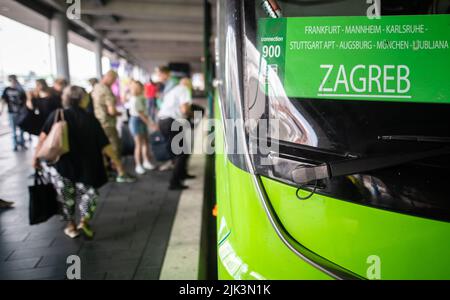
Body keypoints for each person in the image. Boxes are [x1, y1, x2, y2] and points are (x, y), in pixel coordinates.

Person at [32, 86, 127, 239]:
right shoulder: (90, 118)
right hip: (86, 166)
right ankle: (84, 220)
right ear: (83, 99)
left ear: (66, 99)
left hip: (62, 165)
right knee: (90, 193)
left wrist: (35, 157)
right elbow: (104, 144)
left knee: (65, 198)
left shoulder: (58, 115)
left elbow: (43, 137)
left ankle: (71, 226)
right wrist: (117, 163)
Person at [91, 70, 135, 183]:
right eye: (114, 79)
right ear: (109, 77)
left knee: (102, 149)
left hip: (99, 122)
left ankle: (107, 171)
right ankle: (120, 173)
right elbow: (111, 111)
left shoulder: (96, 87)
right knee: (114, 148)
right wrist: (119, 113)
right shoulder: (106, 90)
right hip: (108, 124)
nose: (114, 82)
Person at [157, 68, 195, 190]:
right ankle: (174, 183)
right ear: (187, 84)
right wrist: (192, 114)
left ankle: (183, 174)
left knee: (179, 150)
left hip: (163, 122)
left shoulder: (173, 90)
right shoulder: (184, 90)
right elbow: (184, 109)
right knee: (182, 152)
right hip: (170, 121)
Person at [128, 81, 156, 175]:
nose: (136, 89)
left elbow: (144, 112)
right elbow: (141, 114)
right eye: (134, 87)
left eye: (138, 87)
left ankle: (146, 161)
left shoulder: (141, 97)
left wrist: (149, 121)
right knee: (139, 144)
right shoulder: (135, 98)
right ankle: (138, 165)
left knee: (145, 143)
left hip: (141, 120)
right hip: (136, 121)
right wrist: (150, 123)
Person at [1, 75, 27, 151]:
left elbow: (25, 100)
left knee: (22, 129)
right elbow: (3, 100)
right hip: (11, 112)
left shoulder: (20, 89)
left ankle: (22, 143)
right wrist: (1, 110)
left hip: (20, 112)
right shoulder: (7, 89)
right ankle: (15, 145)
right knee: (13, 130)